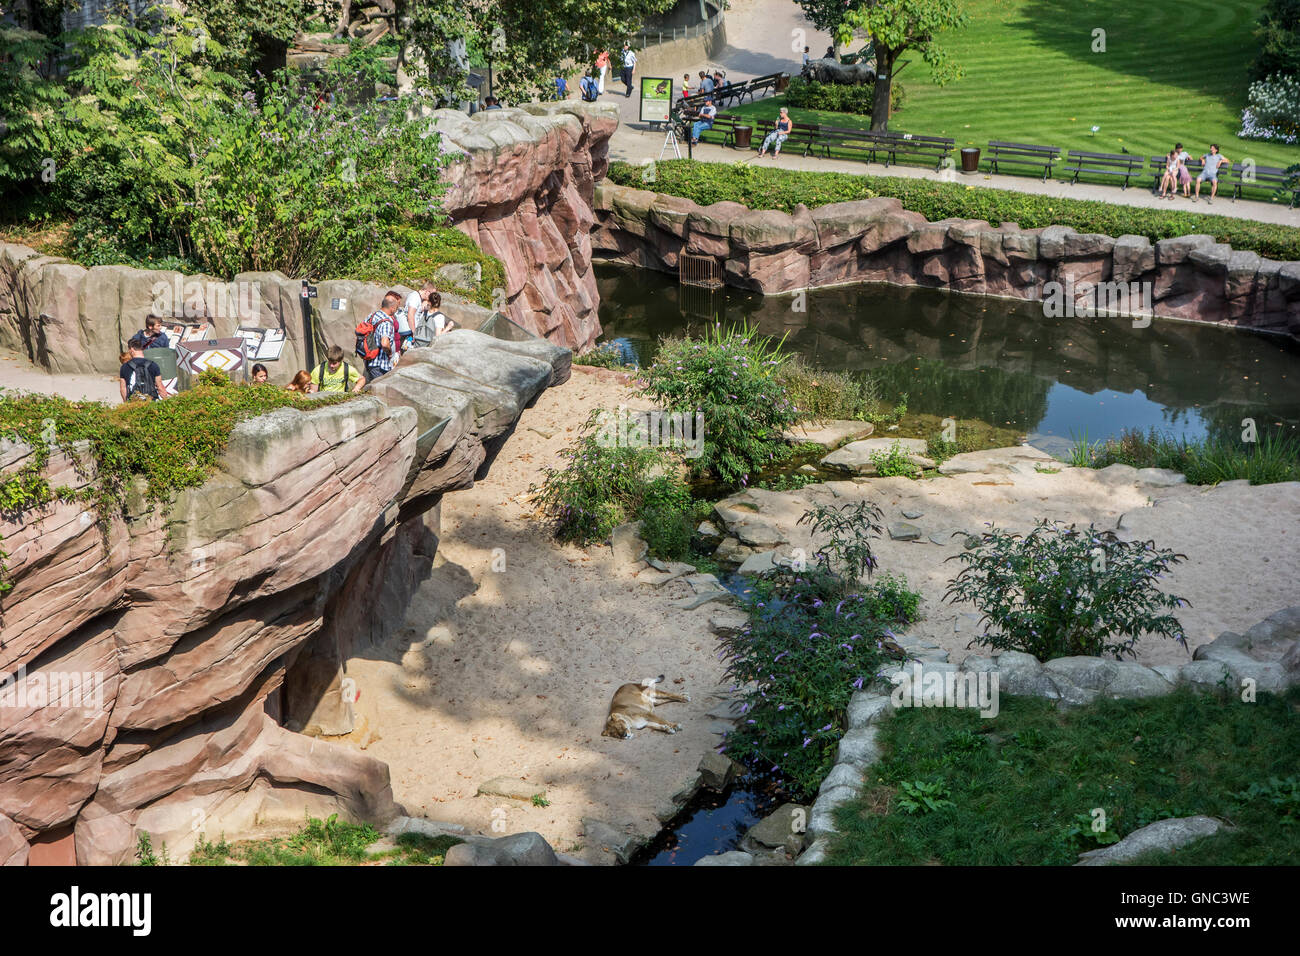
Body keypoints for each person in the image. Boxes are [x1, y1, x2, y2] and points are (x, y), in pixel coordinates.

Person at [363, 291, 400, 382]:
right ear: (392, 308)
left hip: (369, 360)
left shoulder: (372, 315)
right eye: (396, 307)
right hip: (380, 364)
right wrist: (390, 353)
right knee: (381, 390)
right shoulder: (386, 322)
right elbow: (384, 343)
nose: (396, 310)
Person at [119, 334, 165, 403]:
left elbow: (123, 388)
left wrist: (126, 403)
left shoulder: (125, 367)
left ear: (131, 349)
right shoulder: (153, 365)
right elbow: (160, 386)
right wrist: (166, 402)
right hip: (151, 402)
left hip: (134, 402)